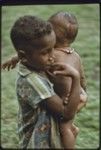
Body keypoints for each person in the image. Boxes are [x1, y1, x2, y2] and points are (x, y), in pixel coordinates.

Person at [2, 12, 87, 149]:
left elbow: (29, 53)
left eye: (52, 48)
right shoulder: (33, 80)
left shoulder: (42, 59)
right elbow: (66, 113)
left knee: (66, 128)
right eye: (46, 52)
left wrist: (80, 92)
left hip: (55, 128)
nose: (52, 56)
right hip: (39, 140)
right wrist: (78, 83)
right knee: (66, 127)